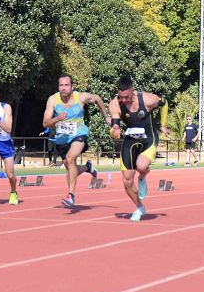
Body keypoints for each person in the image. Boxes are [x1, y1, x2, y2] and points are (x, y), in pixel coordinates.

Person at [108, 76, 170, 222]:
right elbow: (115, 123)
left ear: (133, 91)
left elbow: (165, 103)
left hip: (148, 138)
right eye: (120, 97)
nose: (123, 100)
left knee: (141, 166)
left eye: (126, 97)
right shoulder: (114, 104)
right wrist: (115, 130)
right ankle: (140, 207)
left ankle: (142, 177)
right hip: (130, 140)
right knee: (127, 181)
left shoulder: (148, 99)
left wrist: (162, 124)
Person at [42, 74, 106, 208]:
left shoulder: (80, 97)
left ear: (72, 86)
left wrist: (106, 117)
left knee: (70, 159)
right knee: (70, 168)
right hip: (62, 139)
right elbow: (45, 123)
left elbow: (98, 98)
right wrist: (57, 118)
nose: (63, 88)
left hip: (79, 134)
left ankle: (70, 195)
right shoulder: (53, 100)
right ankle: (87, 167)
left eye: (66, 85)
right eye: (61, 85)